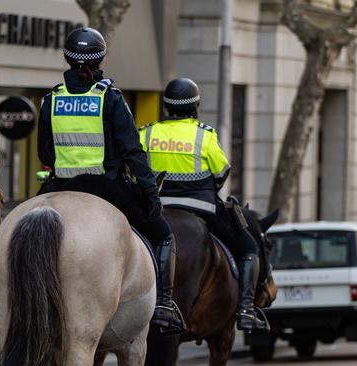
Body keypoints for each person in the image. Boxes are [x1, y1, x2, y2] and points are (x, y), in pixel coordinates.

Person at [37, 27, 186, 334]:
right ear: (100, 58)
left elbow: (44, 152)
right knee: (163, 235)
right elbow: (133, 151)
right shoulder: (111, 98)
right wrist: (149, 193)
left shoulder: (51, 99)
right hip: (107, 189)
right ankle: (164, 306)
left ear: (67, 58)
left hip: (60, 186)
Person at [138, 77, 267, 332]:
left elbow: (135, 169)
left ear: (166, 107)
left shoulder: (147, 132)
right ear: (195, 106)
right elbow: (221, 172)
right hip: (201, 209)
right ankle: (246, 310)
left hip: (154, 210)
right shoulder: (204, 135)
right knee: (249, 247)